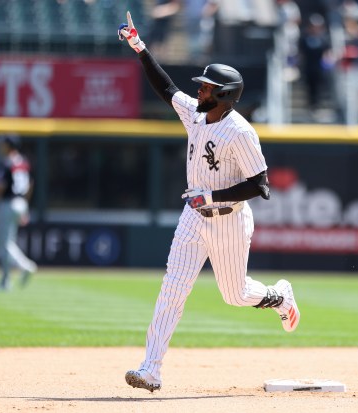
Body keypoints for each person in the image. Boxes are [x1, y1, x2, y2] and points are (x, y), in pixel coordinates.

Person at [117, 10, 300, 392]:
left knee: (234, 295)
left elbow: (261, 185)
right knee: (173, 288)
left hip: (229, 219)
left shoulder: (240, 132)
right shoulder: (196, 117)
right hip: (193, 218)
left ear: (223, 95)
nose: (199, 90)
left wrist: (212, 195)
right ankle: (151, 368)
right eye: (201, 86)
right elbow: (166, 89)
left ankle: (279, 296)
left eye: (205, 87)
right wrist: (139, 47)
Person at [0, 134, 37, 291]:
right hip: (20, 203)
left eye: (3, 144)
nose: (0, 147)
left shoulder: (5, 163)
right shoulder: (23, 162)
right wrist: (25, 206)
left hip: (8, 204)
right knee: (5, 242)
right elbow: (31, 185)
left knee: (4, 244)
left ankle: (23, 268)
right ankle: (5, 280)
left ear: (9, 146)